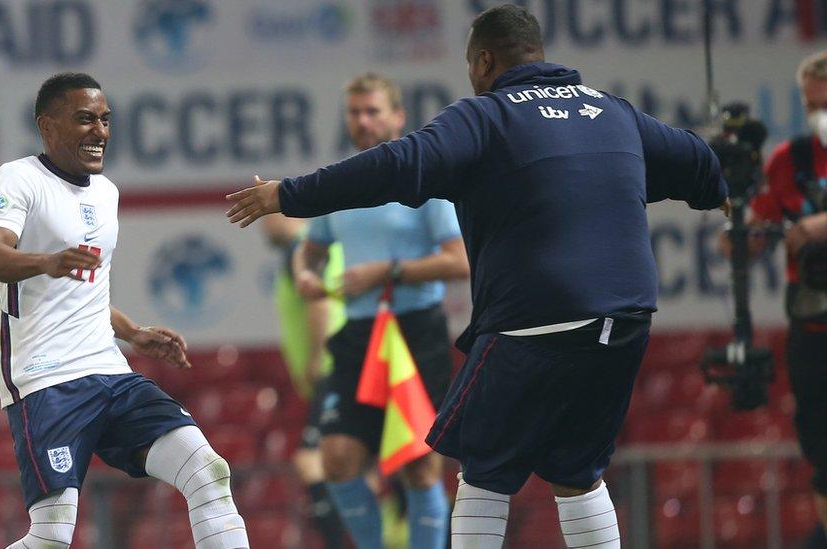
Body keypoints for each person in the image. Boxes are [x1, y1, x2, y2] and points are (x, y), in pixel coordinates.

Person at [226, 6, 728, 549]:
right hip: (626, 321)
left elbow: (397, 164)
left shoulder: (487, 116)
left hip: (535, 323)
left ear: (485, 60)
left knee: (484, 475)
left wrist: (288, 194)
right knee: (577, 472)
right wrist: (726, 196)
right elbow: (701, 162)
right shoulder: (612, 111)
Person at [0, 73, 249, 549]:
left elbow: (89, 291)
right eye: (84, 119)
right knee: (51, 536)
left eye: (105, 120)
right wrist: (45, 261)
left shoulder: (107, 193)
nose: (99, 132)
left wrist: (133, 332)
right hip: (46, 379)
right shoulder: (19, 178)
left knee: (208, 471)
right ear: (48, 125)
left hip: (110, 372)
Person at [290, 72, 469, 549]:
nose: (363, 121)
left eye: (373, 111)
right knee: (338, 458)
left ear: (397, 117)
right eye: (355, 112)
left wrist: (384, 272)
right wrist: (304, 272)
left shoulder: (426, 183)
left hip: (416, 333)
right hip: (359, 333)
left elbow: (459, 261)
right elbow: (309, 248)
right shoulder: (340, 183)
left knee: (418, 463)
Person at [722, 50, 827, 547]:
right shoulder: (789, 160)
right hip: (812, 323)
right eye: (812, 105)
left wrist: (818, 226)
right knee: (822, 454)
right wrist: (736, 223)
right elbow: (754, 234)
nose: (819, 115)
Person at [259, 213, 348, 548]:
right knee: (349, 463)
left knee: (310, 459)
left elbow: (319, 302)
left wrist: (315, 358)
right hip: (338, 365)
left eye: (265, 218)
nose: (263, 229)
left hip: (330, 367)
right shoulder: (319, 245)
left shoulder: (303, 248)